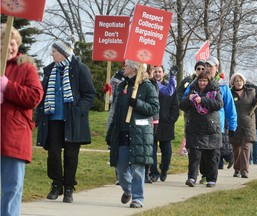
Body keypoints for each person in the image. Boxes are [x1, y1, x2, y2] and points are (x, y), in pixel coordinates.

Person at [36, 36, 96, 203]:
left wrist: (78, 111)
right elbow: (42, 94)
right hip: (53, 118)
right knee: (53, 153)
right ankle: (56, 184)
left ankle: (69, 187)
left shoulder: (79, 68)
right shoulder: (49, 70)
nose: (51, 54)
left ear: (63, 53)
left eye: (54, 51)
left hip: (73, 120)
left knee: (71, 155)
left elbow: (89, 94)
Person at [1, 24, 44, 216]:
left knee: (12, 187)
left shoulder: (26, 68)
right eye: (3, 43)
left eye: (12, 43)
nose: (8, 47)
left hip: (14, 136)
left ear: (17, 45)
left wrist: (7, 87)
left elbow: (35, 97)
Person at [106, 60, 159, 208]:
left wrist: (137, 104)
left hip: (139, 133)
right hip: (122, 131)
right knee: (120, 167)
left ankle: (137, 198)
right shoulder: (123, 86)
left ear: (135, 69)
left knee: (137, 168)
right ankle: (128, 189)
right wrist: (111, 131)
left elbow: (154, 108)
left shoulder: (147, 87)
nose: (124, 68)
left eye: (127, 65)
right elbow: (115, 111)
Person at [184, 56, 237, 184]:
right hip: (197, 124)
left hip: (216, 125)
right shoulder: (194, 84)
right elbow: (185, 99)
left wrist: (232, 126)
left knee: (213, 154)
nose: (207, 68)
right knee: (198, 153)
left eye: (210, 66)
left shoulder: (223, 87)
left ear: (216, 68)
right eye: (205, 66)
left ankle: (211, 175)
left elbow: (229, 107)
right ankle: (203, 175)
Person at [179, 71, 223, 187]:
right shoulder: (192, 90)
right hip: (195, 127)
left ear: (208, 81)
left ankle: (211, 179)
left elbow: (218, 105)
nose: (202, 83)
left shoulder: (215, 91)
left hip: (211, 128)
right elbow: (182, 106)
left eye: (204, 81)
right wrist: (189, 99)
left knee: (212, 156)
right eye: (200, 80)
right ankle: (192, 178)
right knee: (194, 155)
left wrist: (202, 100)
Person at [229, 72, 257, 178]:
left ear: (243, 81)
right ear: (233, 83)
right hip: (234, 124)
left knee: (246, 147)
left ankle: (244, 170)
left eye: (240, 80)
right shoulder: (230, 94)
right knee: (236, 148)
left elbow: (256, 105)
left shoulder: (250, 92)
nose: (238, 82)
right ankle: (237, 169)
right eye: (236, 80)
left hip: (248, 124)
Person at [150, 65, 180, 182]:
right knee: (151, 150)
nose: (157, 74)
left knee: (167, 151)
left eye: (159, 71)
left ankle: (164, 169)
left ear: (163, 73)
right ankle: (153, 173)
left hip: (166, 124)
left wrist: (171, 119)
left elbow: (175, 106)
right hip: (152, 123)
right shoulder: (149, 86)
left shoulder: (170, 87)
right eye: (155, 71)